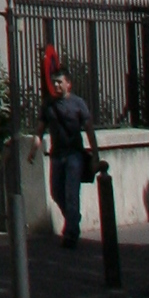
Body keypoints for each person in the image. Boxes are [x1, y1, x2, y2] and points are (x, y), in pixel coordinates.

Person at [45, 61, 96, 247]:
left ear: (68, 84)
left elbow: (89, 129)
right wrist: (34, 147)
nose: (56, 85)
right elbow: (39, 129)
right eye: (54, 82)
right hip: (56, 155)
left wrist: (95, 155)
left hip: (74, 155)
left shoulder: (78, 104)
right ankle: (73, 218)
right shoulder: (49, 105)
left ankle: (71, 233)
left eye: (59, 82)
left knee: (71, 193)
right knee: (56, 192)